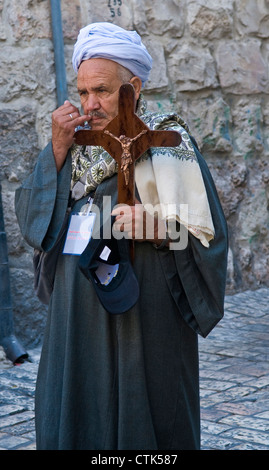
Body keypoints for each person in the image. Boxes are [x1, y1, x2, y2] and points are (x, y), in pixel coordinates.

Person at [15, 22, 228, 450]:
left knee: (145, 421)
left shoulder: (169, 145)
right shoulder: (73, 148)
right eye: (82, 92)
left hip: (145, 321)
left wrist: (163, 229)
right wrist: (55, 151)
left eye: (103, 91)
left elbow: (210, 241)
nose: (89, 105)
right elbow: (31, 223)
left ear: (133, 86)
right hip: (76, 322)